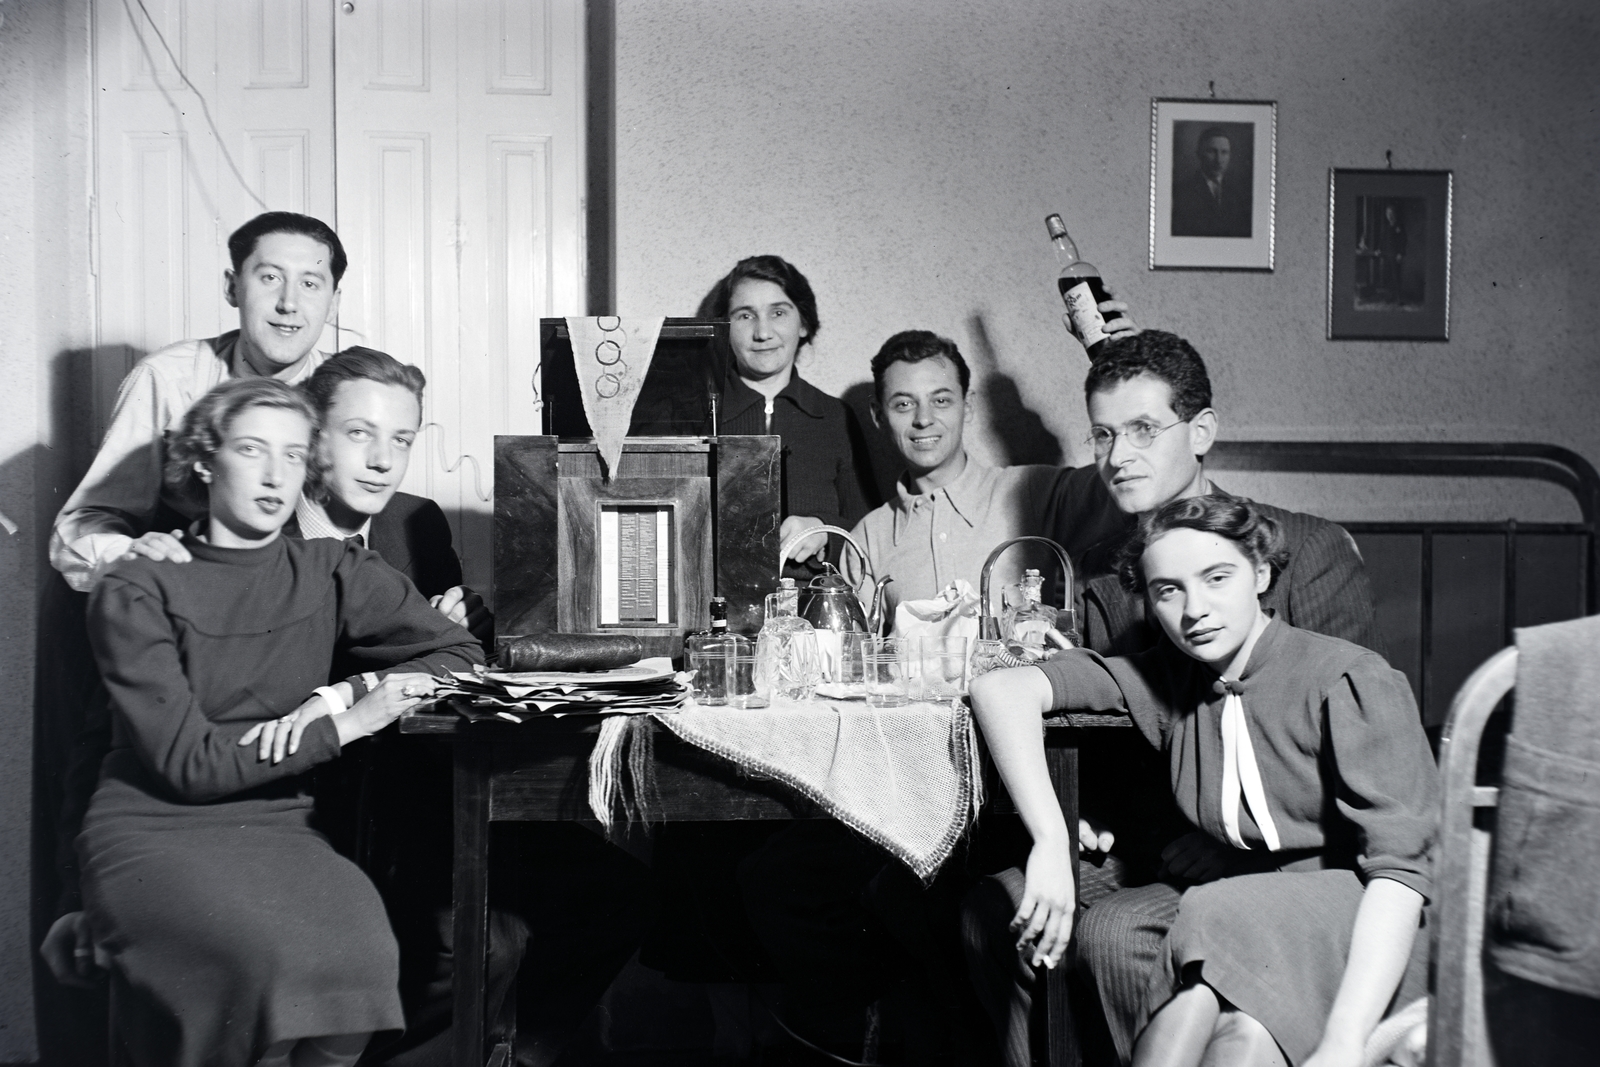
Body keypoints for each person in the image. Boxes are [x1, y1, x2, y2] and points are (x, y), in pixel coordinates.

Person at [964, 330, 1382, 1066]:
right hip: (1157, 842)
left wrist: (1223, 845)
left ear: (1202, 433)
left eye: (1143, 430)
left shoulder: (1306, 549)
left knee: (1114, 931)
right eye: (1102, 434)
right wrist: (1080, 816)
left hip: (1292, 861)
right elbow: (1106, 728)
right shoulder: (1102, 577)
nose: (1118, 456)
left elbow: (1349, 747)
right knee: (994, 906)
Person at [76, 377, 484, 1067]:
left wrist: (343, 693)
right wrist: (347, 725)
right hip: (153, 830)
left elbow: (460, 653)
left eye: (293, 455)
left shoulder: (331, 567)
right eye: (252, 449)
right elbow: (188, 764)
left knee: (364, 951)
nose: (274, 474)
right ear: (204, 459)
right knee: (256, 966)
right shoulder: (138, 583)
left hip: (278, 825)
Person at [968, 496, 1436, 1067]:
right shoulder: (1175, 676)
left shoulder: (1347, 677)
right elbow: (999, 690)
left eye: (1217, 577)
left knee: (1213, 942)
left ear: (1261, 573)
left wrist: (1344, 1040)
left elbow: (1402, 875)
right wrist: (1049, 837)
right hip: (1244, 907)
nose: (1194, 609)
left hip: (1361, 911)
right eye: (1168, 590)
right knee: (1018, 909)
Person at [50, 211, 346, 591]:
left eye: (310, 283)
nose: (289, 303)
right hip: (202, 585)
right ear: (232, 287)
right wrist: (130, 558)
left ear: (333, 302)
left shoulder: (349, 391)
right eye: (270, 278)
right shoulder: (168, 379)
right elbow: (88, 519)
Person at [845, 330, 1126, 620]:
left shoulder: (1033, 490)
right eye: (904, 404)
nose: (923, 419)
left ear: (967, 406)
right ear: (879, 415)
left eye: (941, 401)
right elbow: (858, 656)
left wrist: (1131, 366)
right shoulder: (867, 540)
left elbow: (1135, 484)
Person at [698, 254, 879, 568]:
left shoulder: (835, 417)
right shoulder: (698, 414)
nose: (763, 332)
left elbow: (871, 532)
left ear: (804, 324)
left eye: (778, 312)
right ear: (724, 327)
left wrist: (824, 531)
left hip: (812, 607)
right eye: (745, 315)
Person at [1170, 127, 1251, 238]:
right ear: (1199, 154)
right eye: (1212, 151)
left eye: (1224, 152)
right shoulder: (1181, 192)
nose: (1218, 160)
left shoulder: (1239, 193)